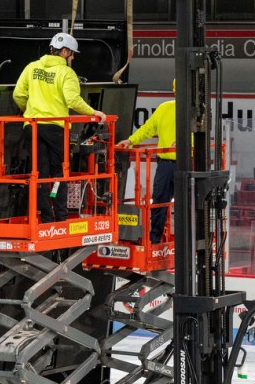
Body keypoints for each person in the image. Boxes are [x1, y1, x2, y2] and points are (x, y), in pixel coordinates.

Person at [13, 32, 106, 224]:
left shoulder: (32, 68)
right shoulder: (66, 73)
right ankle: (60, 218)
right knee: (58, 175)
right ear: (64, 52)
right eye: (72, 54)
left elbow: (18, 95)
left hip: (32, 126)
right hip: (55, 129)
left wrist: (27, 111)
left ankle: (46, 217)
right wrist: (94, 112)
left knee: (38, 174)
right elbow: (72, 100)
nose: (72, 58)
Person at [118, 79, 176, 243]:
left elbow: (200, 135)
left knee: (186, 203)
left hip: (184, 164)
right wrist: (130, 140)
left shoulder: (195, 112)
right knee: (159, 199)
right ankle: (155, 239)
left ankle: (185, 239)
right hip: (165, 164)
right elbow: (147, 129)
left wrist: (186, 143)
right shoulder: (165, 108)